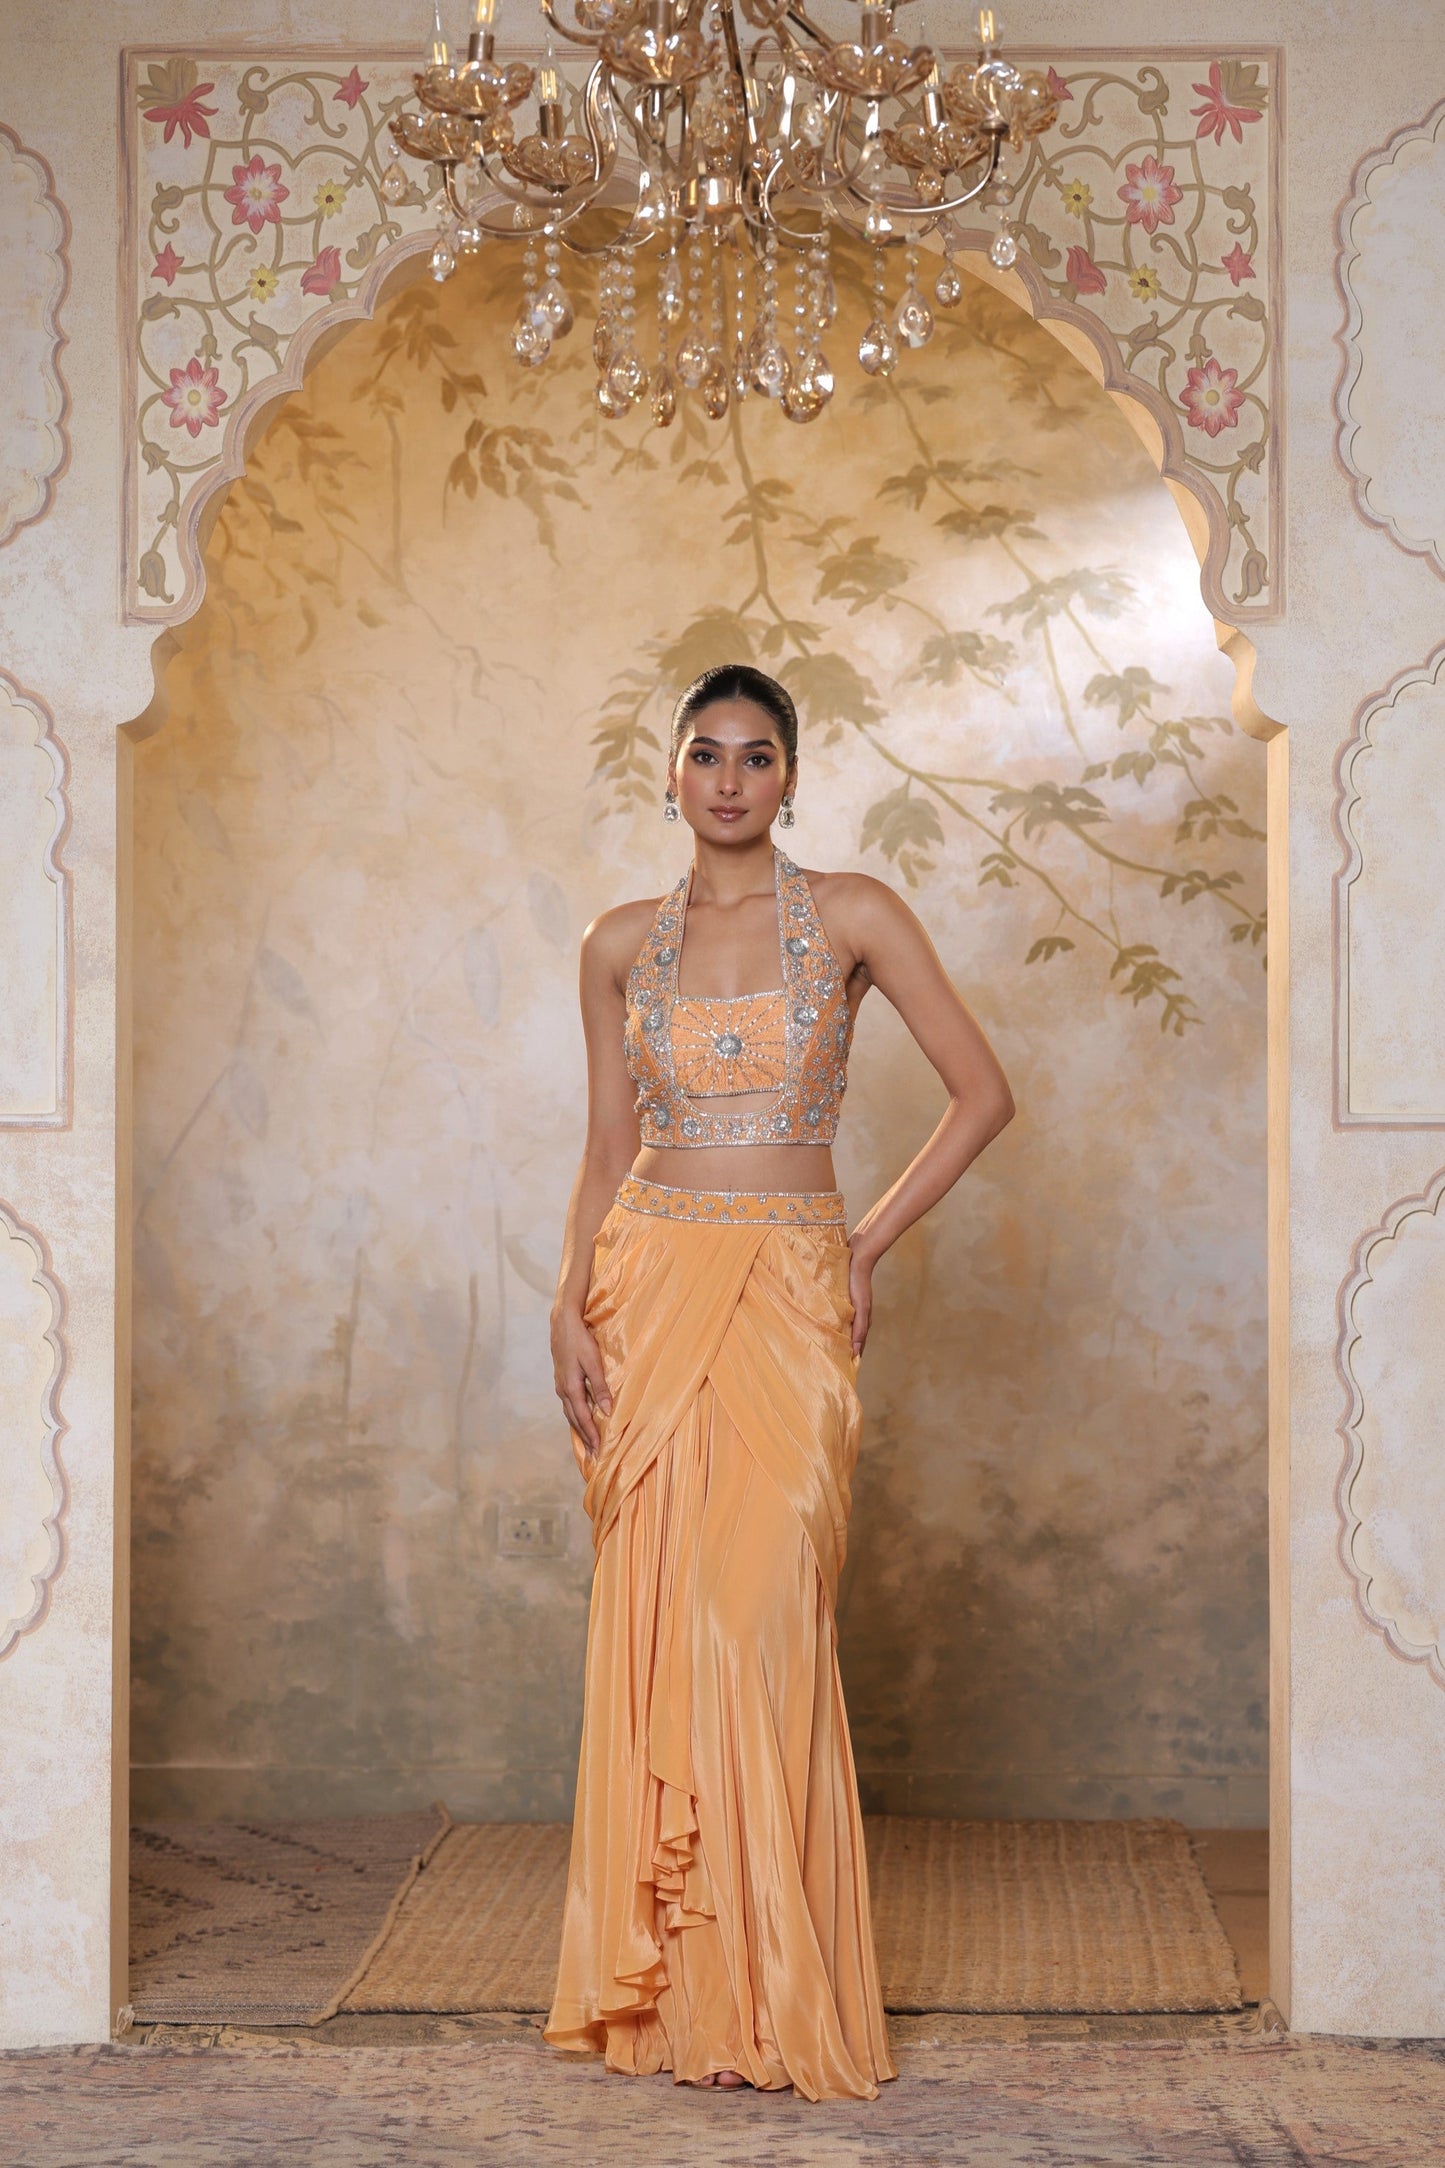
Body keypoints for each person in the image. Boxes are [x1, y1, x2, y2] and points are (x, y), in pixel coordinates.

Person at [543, 663, 1014, 2100]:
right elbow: (605, 1148)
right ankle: (683, 1995)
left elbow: (981, 1093)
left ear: (791, 778)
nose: (730, 778)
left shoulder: (856, 914)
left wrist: (862, 1243)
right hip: (652, 1288)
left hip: (792, 1295)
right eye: (705, 755)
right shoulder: (618, 943)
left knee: (757, 1623)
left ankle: (776, 1982)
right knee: (665, 1625)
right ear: (671, 777)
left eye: (756, 756)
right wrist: (568, 1301)